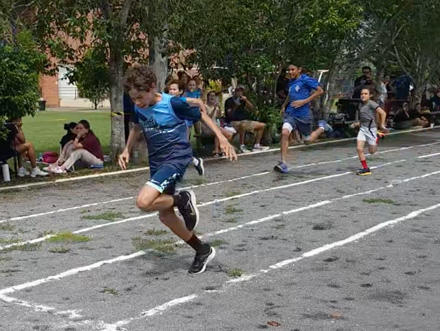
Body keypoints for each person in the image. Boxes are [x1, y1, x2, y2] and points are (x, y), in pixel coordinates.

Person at [120, 65, 237, 274]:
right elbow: (137, 126)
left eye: (139, 97)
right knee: (165, 216)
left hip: (176, 157)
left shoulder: (172, 103)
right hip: (157, 161)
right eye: (133, 98)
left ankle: (182, 199)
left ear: (152, 88)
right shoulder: (139, 106)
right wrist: (126, 149)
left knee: (143, 202)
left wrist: (221, 138)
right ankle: (202, 249)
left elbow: (201, 115)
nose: (136, 102)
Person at [274, 63, 333, 173]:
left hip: (304, 115)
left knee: (307, 140)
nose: (290, 72)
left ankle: (322, 127)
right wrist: (284, 105)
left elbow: (320, 91)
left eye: (292, 70)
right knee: (285, 132)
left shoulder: (306, 80)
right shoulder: (290, 82)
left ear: (299, 70)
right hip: (291, 114)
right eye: (288, 70)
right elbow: (290, 95)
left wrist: (304, 101)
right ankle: (283, 163)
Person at [168, 79, 205, 176]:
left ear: (180, 92)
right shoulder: (166, 100)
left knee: (179, 148)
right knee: (176, 150)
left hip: (182, 126)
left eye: (174, 89)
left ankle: (189, 164)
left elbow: (198, 101)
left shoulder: (181, 100)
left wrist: (204, 114)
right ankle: (195, 161)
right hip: (171, 128)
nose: (171, 91)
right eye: (170, 89)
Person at [351, 88, 387, 176]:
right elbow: (364, 119)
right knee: (359, 149)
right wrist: (356, 124)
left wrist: (382, 125)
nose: (363, 95)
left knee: (372, 152)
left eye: (365, 94)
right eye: (362, 94)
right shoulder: (361, 105)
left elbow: (383, 113)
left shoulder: (372, 104)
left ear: (370, 95)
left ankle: (377, 137)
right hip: (363, 129)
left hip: (371, 130)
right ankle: (366, 169)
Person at [224, 85, 268, 153]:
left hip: (245, 120)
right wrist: (236, 106)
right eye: (238, 91)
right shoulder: (229, 101)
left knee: (262, 125)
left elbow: (253, 109)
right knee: (243, 125)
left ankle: (257, 144)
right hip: (234, 121)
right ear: (235, 92)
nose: (239, 93)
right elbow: (229, 114)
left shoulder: (243, 100)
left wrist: (246, 101)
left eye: (241, 91)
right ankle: (242, 145)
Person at [201, 91, 234, 157]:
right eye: (210, 95)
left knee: (230, 134)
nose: (212, 97)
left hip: (215, 126)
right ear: (207, 97)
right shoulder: (204, 107)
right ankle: (217, 150)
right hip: (207, 127)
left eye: (213, 96)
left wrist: (218, 110)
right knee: (218, 131)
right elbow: (207, 118)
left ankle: (222, 149)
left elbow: (218, 117)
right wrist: (214, 109)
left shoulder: (216, 107)